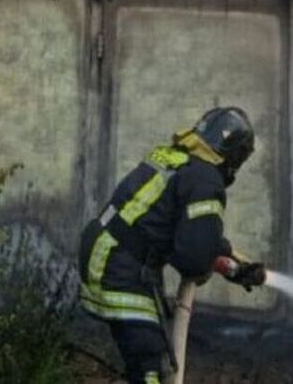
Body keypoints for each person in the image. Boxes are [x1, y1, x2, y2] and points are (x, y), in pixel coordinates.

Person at [79, 106, 265, 384]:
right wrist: (214, 261)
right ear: (236, 156)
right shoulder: (206, 181)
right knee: (149, 367)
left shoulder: (176, 158)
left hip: (102, 253)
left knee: (144, 355)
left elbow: (188, 232)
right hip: (122, 271)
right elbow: (194, 258)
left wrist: (232, 265)